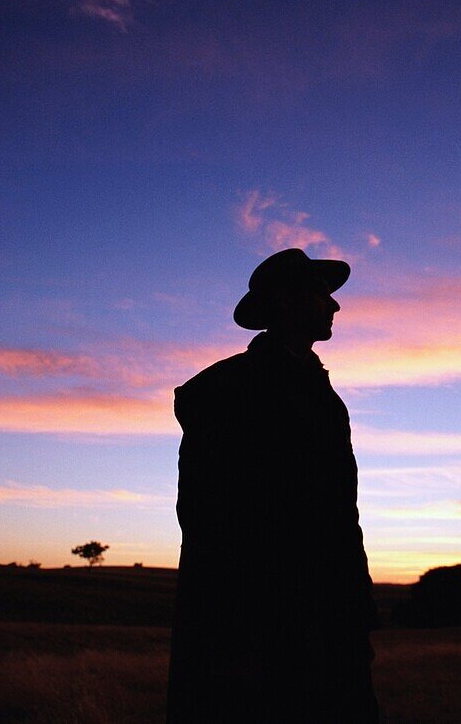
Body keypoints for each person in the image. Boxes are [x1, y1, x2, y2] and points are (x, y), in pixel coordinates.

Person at [166, 248, 380, 723]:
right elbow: (208, 516)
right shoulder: (225, 390)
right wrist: (235, 630)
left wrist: (355, 604)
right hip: (260, 621)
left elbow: (340, 511)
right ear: (288, 301)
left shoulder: (321, 393)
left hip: (326, 613)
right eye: (323, 295)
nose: (335, 306)